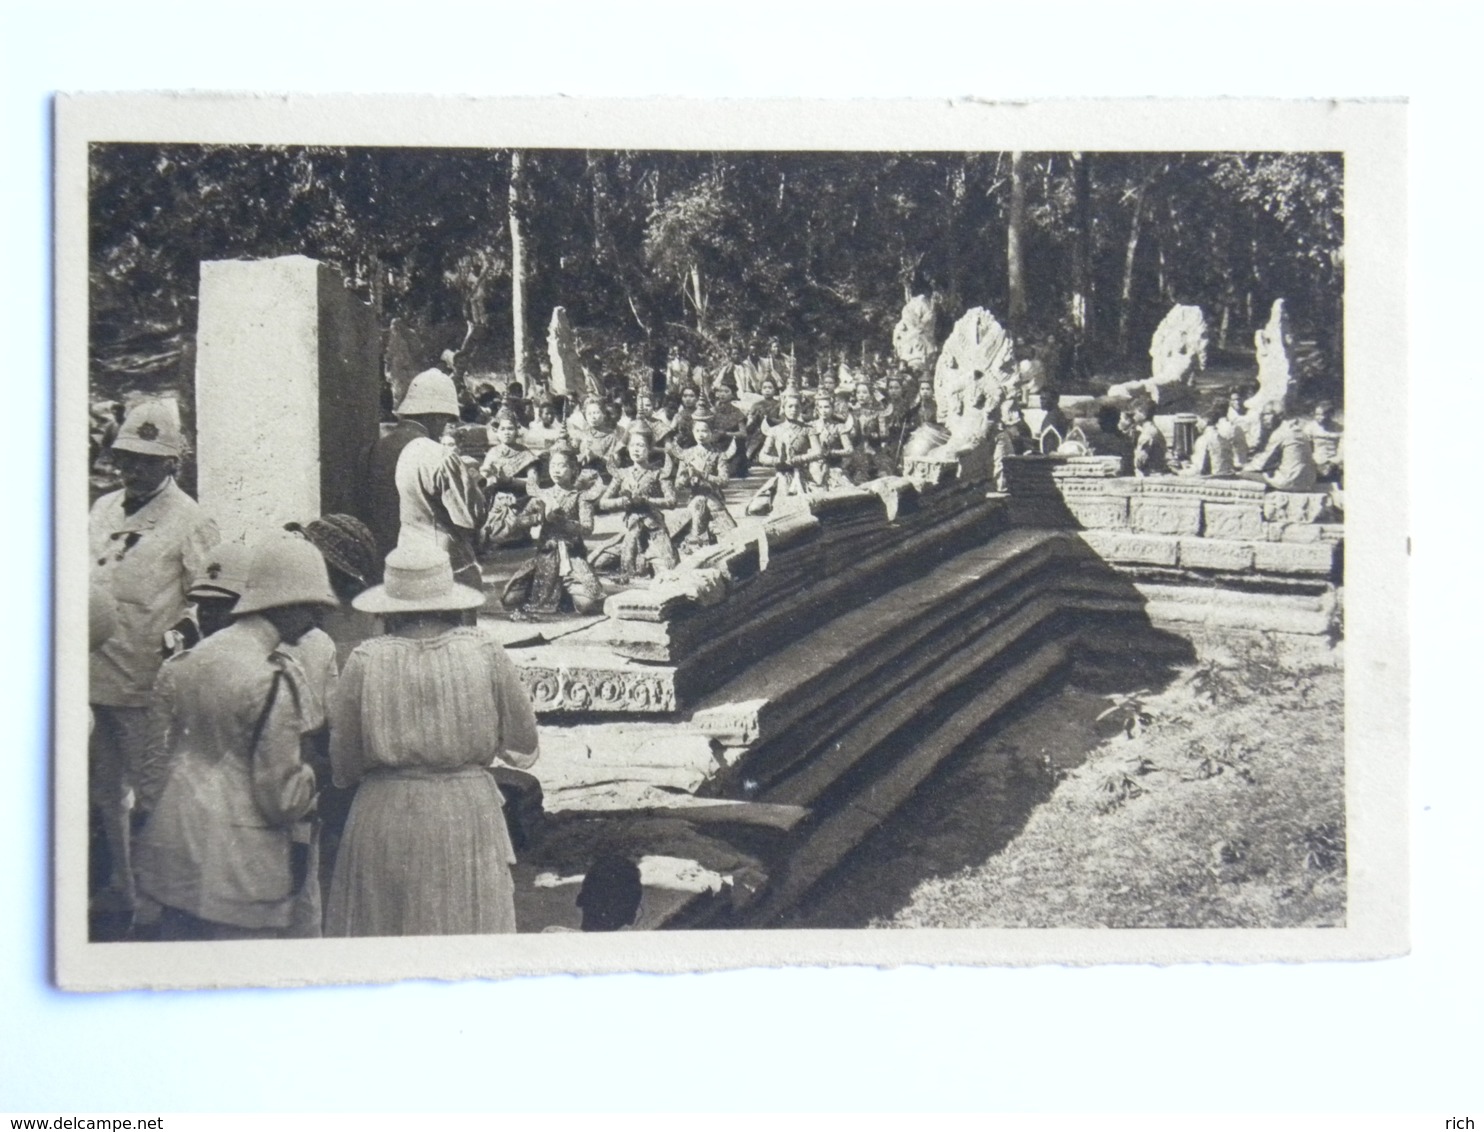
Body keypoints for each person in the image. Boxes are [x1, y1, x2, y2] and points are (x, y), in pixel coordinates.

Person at [325, 544, 540, 937]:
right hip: (464, 807)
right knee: (463, 922)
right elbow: (522, 738)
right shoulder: (484, 651)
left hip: (385, 808)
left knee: (387, 923)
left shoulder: (366, 659)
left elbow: (344, 759)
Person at [133, 534, 337, 940]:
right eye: (311, 604)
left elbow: (153, 773)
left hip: (173, 859)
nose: (316, 617)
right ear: (287, 602)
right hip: (241, 872)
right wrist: (315, 770)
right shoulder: (273, 676)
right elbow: (281, 800)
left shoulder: (183, 664)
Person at [88, 400, 220, 914]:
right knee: (104, 790)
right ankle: (123, 884)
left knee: (152, 791)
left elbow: (204, 593)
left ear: (171, 462)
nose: (132, 469)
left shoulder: (190, 520)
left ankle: (160, 896)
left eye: (146, 459)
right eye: (126, 458)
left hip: (146, 678)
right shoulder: (101, 510)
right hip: (94, 671)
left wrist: (181, 634)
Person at [365, 369, 483, 589]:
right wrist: (472, 482)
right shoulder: (438, 455)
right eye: (447, 419)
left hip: (389, 564)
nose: (445, 426)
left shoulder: (376, 449)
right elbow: (470, 517)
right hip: (440, 565)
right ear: (436, 415)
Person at [500, 441, 605, 617]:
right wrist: (537, 518)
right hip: (545, 555)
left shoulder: (580, 497)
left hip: (571, 556)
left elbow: (587, 528)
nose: (556, 470)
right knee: (509, 599)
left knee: (587, 603)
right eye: (553, 465)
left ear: (573, 469)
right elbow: (518, 522)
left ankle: (567, 594)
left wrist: (564, 523)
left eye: (562, 466)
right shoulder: (543, 494)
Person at [596, 422, 679, 581]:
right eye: (633, 445)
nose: (636, 449)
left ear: (649, 449)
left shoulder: (658, 473)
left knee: (669, 568)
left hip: (654, 528)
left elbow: (672, 501)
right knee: (605, 563)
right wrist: (623, 502)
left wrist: (647, 501)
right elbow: (603, 503)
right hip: (632, 529)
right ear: (627, 448)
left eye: (641, 445)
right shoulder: (622, 474)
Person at [670, 407, 740, 555]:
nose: (701, 435)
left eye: (705, 431)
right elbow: (678, 484)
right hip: (695, 499)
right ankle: (696, 546)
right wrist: (688, 479)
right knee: (697, 512)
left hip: (714, 498)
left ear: (712, 433)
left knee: (733, 536)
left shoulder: (718, 455)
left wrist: (703, 475)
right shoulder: (687, 455)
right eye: (697, 431)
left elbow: (724, 481)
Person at [747, 388, 823, 515]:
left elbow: (818, 451)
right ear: (783, 408)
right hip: (782, 475)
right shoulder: (775, 430)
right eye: (790, 406)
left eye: (797, 407)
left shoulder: (808, 430)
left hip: (804, 475)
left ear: (801, 409)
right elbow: (762, 456)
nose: (793, 409)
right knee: (762, 508)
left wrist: (799, 459)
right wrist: (778, 460)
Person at [479, 407, 542, 550]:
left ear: (517, 430)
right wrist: (488, 476)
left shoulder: (525, 453)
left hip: (520, 500)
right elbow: (485, 475)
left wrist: (510, 481)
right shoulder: (493, 452)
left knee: (507, 533)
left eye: (510, 429)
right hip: (495, 499)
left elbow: (534, 484)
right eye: (502, 429)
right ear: (497, 431)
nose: (506, 433)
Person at [1241, 402, 1318, 492]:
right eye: (1263, 415)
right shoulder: (1297, 430)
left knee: (1244, 474)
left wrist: (1244, 467)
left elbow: (1262, 463)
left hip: (1289, 481)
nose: (1264, 418)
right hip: (1308, 481)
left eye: (1268, 414)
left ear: (1280, 416)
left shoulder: (1280, 433)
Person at [808, 390, 856, 489]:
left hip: (834, 467)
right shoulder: (810, 426)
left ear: (832, 408)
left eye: (826, 407)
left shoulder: (839, 427)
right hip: (814, 468)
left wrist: (831, 452)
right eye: (820, 407)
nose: (823, 411)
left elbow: (850, 450)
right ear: (816, 409)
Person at [1183, 400, 1237, 478]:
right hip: (1228, 476)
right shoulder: (1223, 438)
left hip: (1214, 479)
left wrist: (1178, 472)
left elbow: (1198, 470)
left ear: (1205, 421)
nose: (1196, 425)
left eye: (1198, 422)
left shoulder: (1203, 440)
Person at [1305, 400, 1343, 482]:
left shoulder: (1339, 428)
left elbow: (1342, 449)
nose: (1318, 417)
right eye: (1316, 414)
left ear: (1330, 415)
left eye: (1322, 415)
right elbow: (1307, 448)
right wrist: (1314, 462)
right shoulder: (1310, 428)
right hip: (1316, 462)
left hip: (1334, 463)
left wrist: (1333, 463)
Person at [1130, 400, 1169, 476]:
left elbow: (1139, 462)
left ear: (1143, 414)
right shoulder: (1153, 429)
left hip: (1151, 475)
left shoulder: (1147, 434)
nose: (1133, 417)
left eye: (1135, 413)